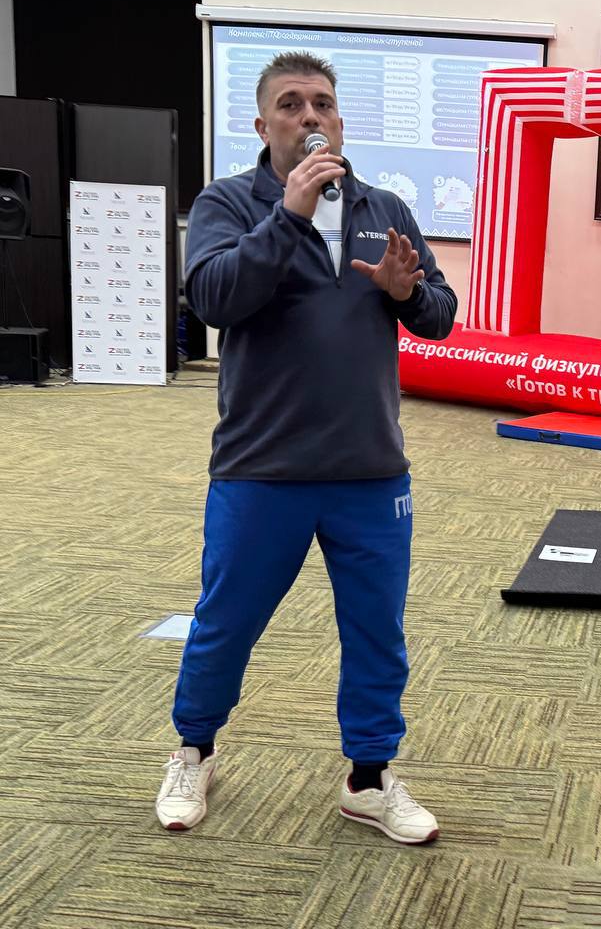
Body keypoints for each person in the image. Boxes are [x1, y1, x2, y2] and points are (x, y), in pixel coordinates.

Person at [155, 51, 456, 844]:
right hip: (262, 468)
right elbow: (213, 298)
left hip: (370, 470)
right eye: (291, 104)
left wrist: (407, 293)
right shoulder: (228, 202)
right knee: (225, 623)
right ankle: (194, 751)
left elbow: (440, 314)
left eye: (322, 102)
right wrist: (287, 216)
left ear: (340, 121)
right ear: (263, 126)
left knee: (377, 633)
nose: (310, 116)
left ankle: (369, 779)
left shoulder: (383, 206)